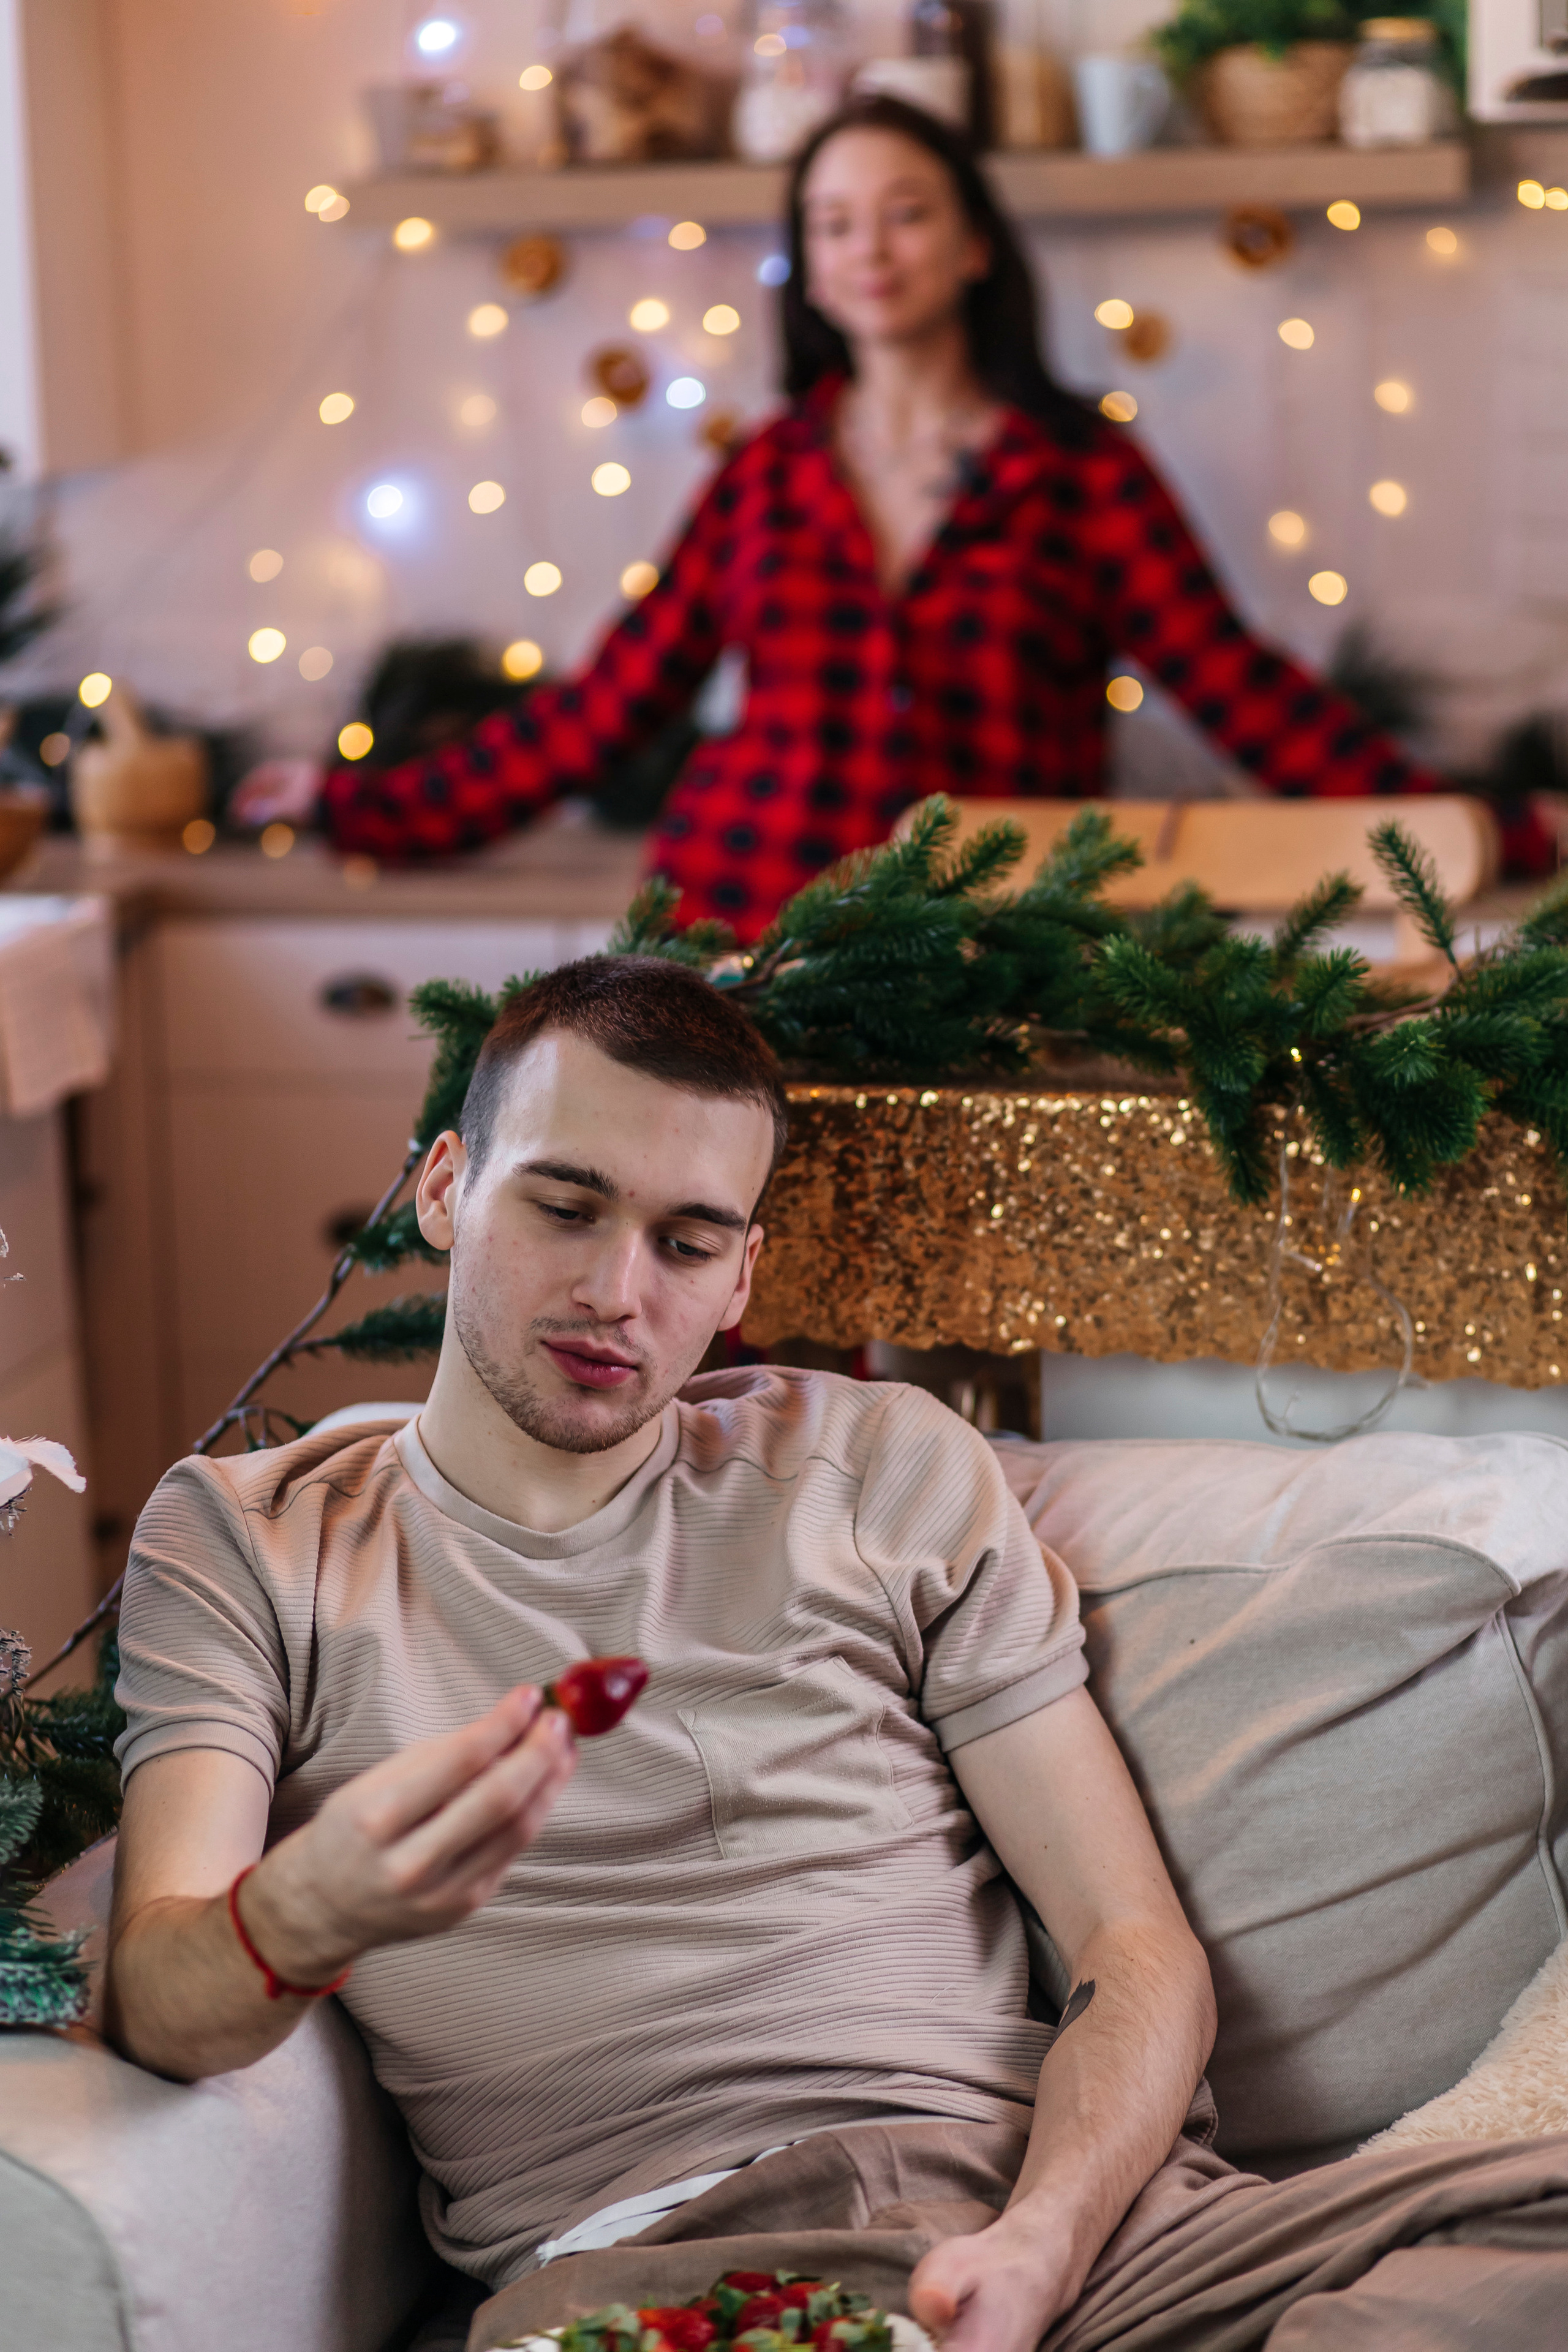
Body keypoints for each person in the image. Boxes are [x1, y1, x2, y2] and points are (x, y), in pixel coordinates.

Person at [107, 954, 1568, 2352]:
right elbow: (161, 2001)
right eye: (564, 1206)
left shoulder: (876, 1465)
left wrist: (1038, 2248)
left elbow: (1131, 1950)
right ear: (444, 1188)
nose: (618, 1290)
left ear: (740, 1274)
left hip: (1081, 2231)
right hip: (675, 2267)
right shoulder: (254, 1541)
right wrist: (308, 1908)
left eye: (686, 1243)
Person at [243, 99, 1549, 939]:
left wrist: (1481, 828)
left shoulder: (1082, 471)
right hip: (742, 938)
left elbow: (1243, 693)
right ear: (810, 271)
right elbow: (600, 711)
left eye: (906, 213)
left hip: (997, 951)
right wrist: (362, 806)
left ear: (975, 247)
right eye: (833, 224)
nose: (869, 247)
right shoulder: (765, 474)